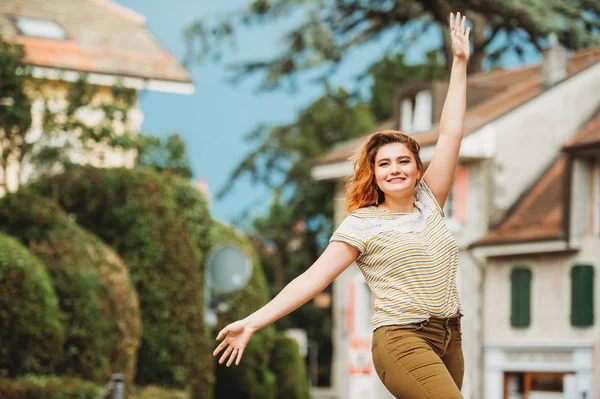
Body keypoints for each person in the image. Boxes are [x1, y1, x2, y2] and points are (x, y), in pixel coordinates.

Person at [213, 11, 471, 399]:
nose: (395, 169)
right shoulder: (361, 225)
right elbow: (310, 280)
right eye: (384, 164)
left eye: (404, 161)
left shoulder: (430, 201)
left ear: (419, 169)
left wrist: (460, 63)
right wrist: (252, 322)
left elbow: (451, 130)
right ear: (375, 174)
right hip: (401, 340)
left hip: (450, 336)